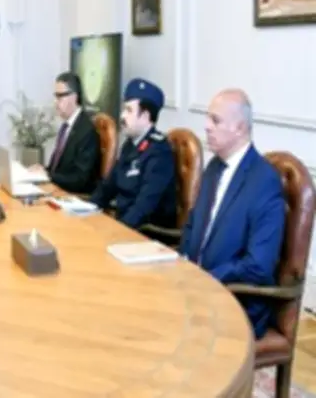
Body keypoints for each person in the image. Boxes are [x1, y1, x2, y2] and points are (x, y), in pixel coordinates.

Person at [179, 89, 285, 339]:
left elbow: (258, 265)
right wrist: (182, 265)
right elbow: (193, 225)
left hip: (235, 301)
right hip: (197, 289)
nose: (206, 126)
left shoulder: (264, 180)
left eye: (215, 120)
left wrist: (208, 278)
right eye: (208, 118)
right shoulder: (214, 167)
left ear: (239, 128)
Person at [89, 78, 177, 229]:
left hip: (146, 232)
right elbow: (107, 187)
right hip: (124, 223)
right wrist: (86, 210)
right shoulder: (130, 145)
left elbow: (143, 207)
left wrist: (118, 230)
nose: (122, 116)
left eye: (129, 110)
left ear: (145, 116)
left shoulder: (159, 152)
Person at [35, 72, 101, 194]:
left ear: (74, 97)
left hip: (74, 196)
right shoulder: (66, 126)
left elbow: (79, 179)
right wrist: (43, 171)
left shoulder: (86, 131)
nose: (55, 102)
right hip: (58, 190)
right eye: (55, 96)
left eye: (60, 97)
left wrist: (48, 176)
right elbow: (58, 170)